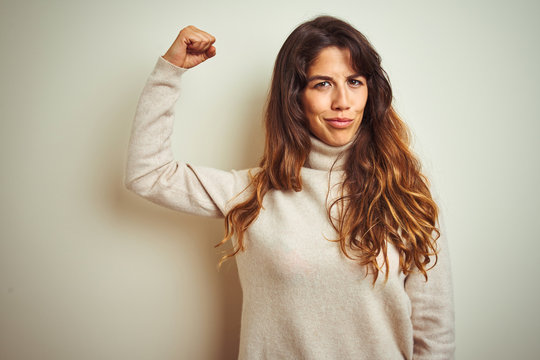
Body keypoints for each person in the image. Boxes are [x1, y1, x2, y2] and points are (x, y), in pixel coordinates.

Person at [124, 15, 455, 359]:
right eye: (322, 84)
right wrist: (170, 71)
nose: (343, 101)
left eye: (354, 81)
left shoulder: (406, 190)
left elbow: (434, 332)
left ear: (370, 91)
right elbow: (146, 173)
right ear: (296, 97)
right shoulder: (251, 194)